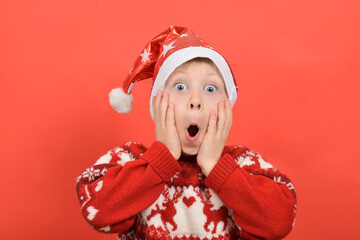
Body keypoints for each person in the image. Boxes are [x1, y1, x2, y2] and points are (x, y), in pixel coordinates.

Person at [75, 25, 297, 240]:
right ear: (157, 103)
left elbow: (279, 223)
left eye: (210, 89)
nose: (195, 101)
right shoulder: (130, 160)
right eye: (181, 87)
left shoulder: (245, 164)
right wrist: (162, 159)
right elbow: (97, 212)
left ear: (227, 107)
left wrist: (215, 166)